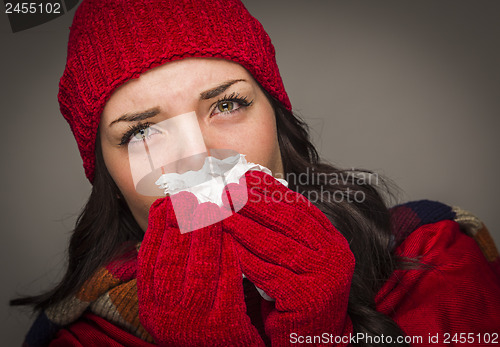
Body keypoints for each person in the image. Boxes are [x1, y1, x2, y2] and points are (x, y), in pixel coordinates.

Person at [12, 0, 500, 346]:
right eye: (141, 132)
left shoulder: (434, 254)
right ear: (109, 181)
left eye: (226, 104)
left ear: (278, 120)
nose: (199, 156)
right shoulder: (80, 337)